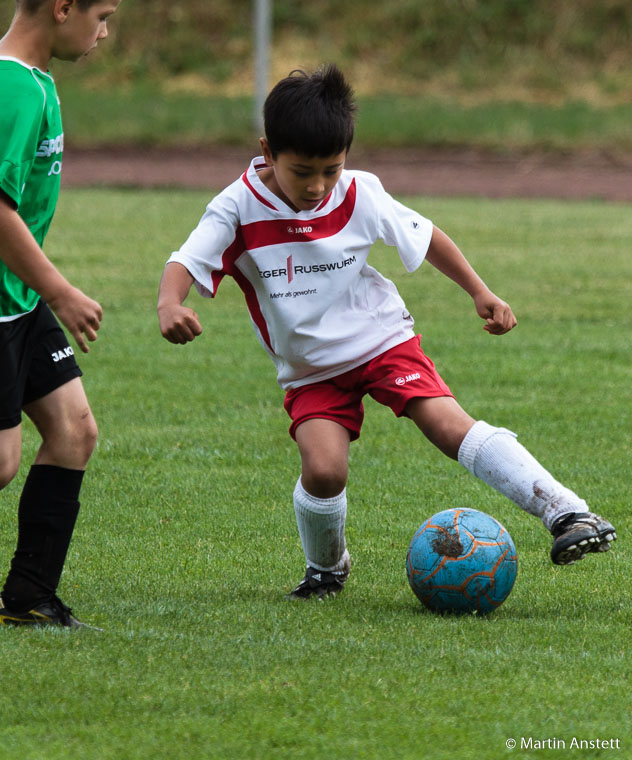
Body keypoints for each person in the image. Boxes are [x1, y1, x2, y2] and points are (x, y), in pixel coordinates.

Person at [157, 64, 616, 599]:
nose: (318, 186)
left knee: (447, 425)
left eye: (331, 169)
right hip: (310, 371)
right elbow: (186, 260)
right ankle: (326, 569)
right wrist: (171, 302)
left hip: (382, 342)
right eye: (302, 170)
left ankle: (567, 512)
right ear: (267, 150)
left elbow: (427, 237)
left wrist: (480, 291)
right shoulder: (235, 207)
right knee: (324, 471)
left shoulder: (359, 193)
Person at [0, 0, 130, 627]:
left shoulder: (37, 82)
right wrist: (61, 289)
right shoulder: (9, 88)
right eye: (102, 17)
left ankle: (30, 599)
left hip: (14, 301)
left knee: (73, 430)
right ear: (64, 7)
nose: (104, 33)